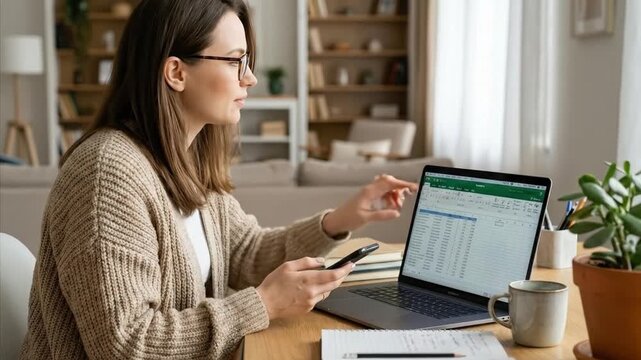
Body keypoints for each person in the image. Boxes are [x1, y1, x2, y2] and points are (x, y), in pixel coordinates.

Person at [21, 0, 417, 359]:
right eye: (234, 61)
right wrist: (262, 304)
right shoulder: (108, 172)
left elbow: (247, 253)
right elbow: (127, 344)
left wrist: (342, 219)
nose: (250, 79)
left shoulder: (182, 160)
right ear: (176, 72)